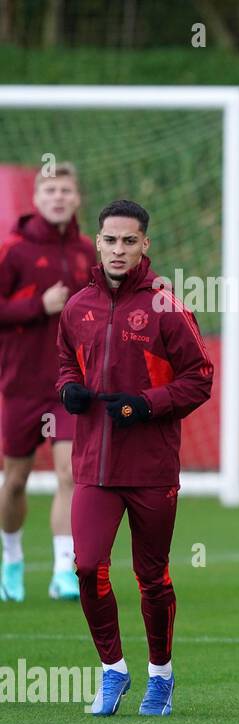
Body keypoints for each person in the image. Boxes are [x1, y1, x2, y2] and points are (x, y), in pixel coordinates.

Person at [55, 199, 214, 716]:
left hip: (150, 470)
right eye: (110, 240)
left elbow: (201, 379)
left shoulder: (168, 306)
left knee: (152, 576)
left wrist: (147, 404)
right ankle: (113, 671)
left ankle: (161, 677)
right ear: (97, 243)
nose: (118, 249)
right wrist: (68, 390)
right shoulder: (78, 306)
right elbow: (63, 364)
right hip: (95, 468)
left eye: (129, 241)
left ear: (145, 244)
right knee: (86, 567)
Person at [0, 163, 95, 602]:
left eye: (66, 190)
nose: (58, 197)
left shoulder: (86, 252)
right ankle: (12, 558)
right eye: (50, 190)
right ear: (36, 199)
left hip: (67, 387)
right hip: (19, 384)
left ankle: (63, 570)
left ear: (77, 199)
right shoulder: (14, 251)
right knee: (15, 480)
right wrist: (38, 305)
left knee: (68, 473)